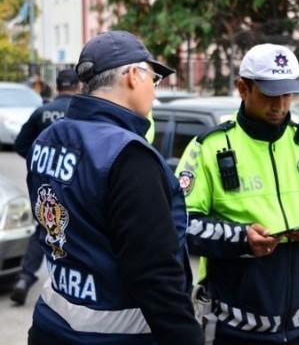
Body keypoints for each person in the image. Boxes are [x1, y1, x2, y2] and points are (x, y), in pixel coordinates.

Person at [25, 30, 204, 344]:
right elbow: (155, 274)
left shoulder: (48, 139)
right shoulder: (128, 155)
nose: (154, 91)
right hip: (117, 337)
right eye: (154, 79)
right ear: (134, 75)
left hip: (51, 326)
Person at [176, 43, 299, 345]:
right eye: (270, 95)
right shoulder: (207, 147)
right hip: (237, 325)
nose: (281, 105)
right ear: (242, 88)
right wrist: (242, 239)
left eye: (288, 94)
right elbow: (181, 225)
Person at [10, 68, 81, 305]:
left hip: (45, 183)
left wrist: (40, 162)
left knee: (45, 226)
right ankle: (73, 286)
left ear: (58, 86)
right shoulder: (83, 113)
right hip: (78, 182)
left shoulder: (42, 111)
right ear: (78, 87)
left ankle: (25, 278)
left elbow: (21, 144)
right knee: (77, 230)